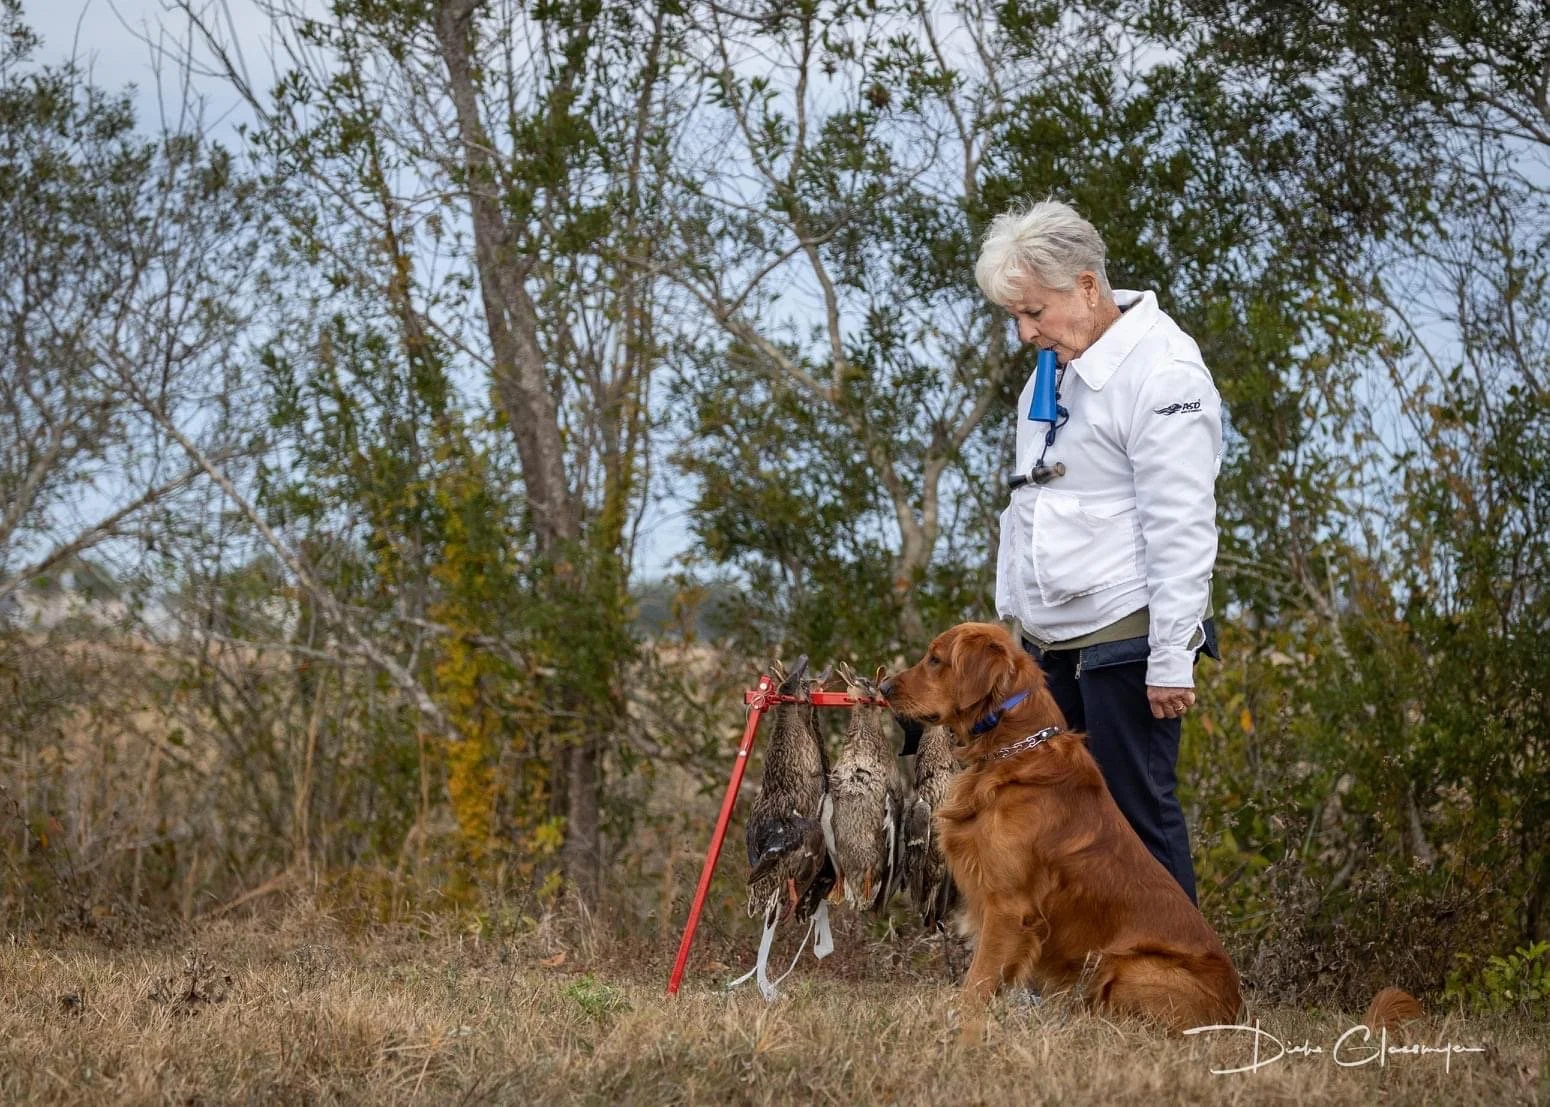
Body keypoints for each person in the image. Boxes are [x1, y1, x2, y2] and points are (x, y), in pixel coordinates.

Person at [974, 199, 1222, 904]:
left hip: (1127, 635)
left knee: (1135, 818)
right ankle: (1086, 977)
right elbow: (1039, 499)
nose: (1025, 333)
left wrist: (1173, 656)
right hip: (1054, 635)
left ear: (1086, 286)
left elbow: (1182, 523)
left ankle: (1186, 981)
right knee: (1063, 815)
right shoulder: (1056, 366)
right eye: (1014, 317)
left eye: (1034, 313)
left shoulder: (1165, 372)